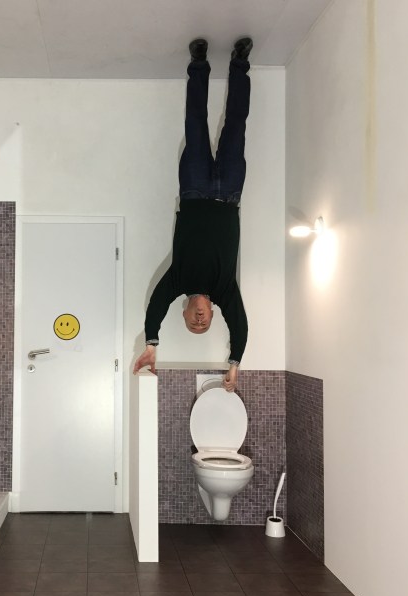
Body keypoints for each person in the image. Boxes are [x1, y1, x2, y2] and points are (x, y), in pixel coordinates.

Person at [133, 37, 253, 392]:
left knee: (195, 124)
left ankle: (198, 64)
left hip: (194, 188)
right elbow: (240, 325)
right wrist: (235, 363)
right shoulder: (225, 289)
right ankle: (240, 63)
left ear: (184, 310)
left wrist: (151, 343)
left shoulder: (178, 280)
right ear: (213, 313)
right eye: (204, 324)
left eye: (192, 323)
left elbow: (156, 304)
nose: (199, 321)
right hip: (230, 192)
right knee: (236, 125)